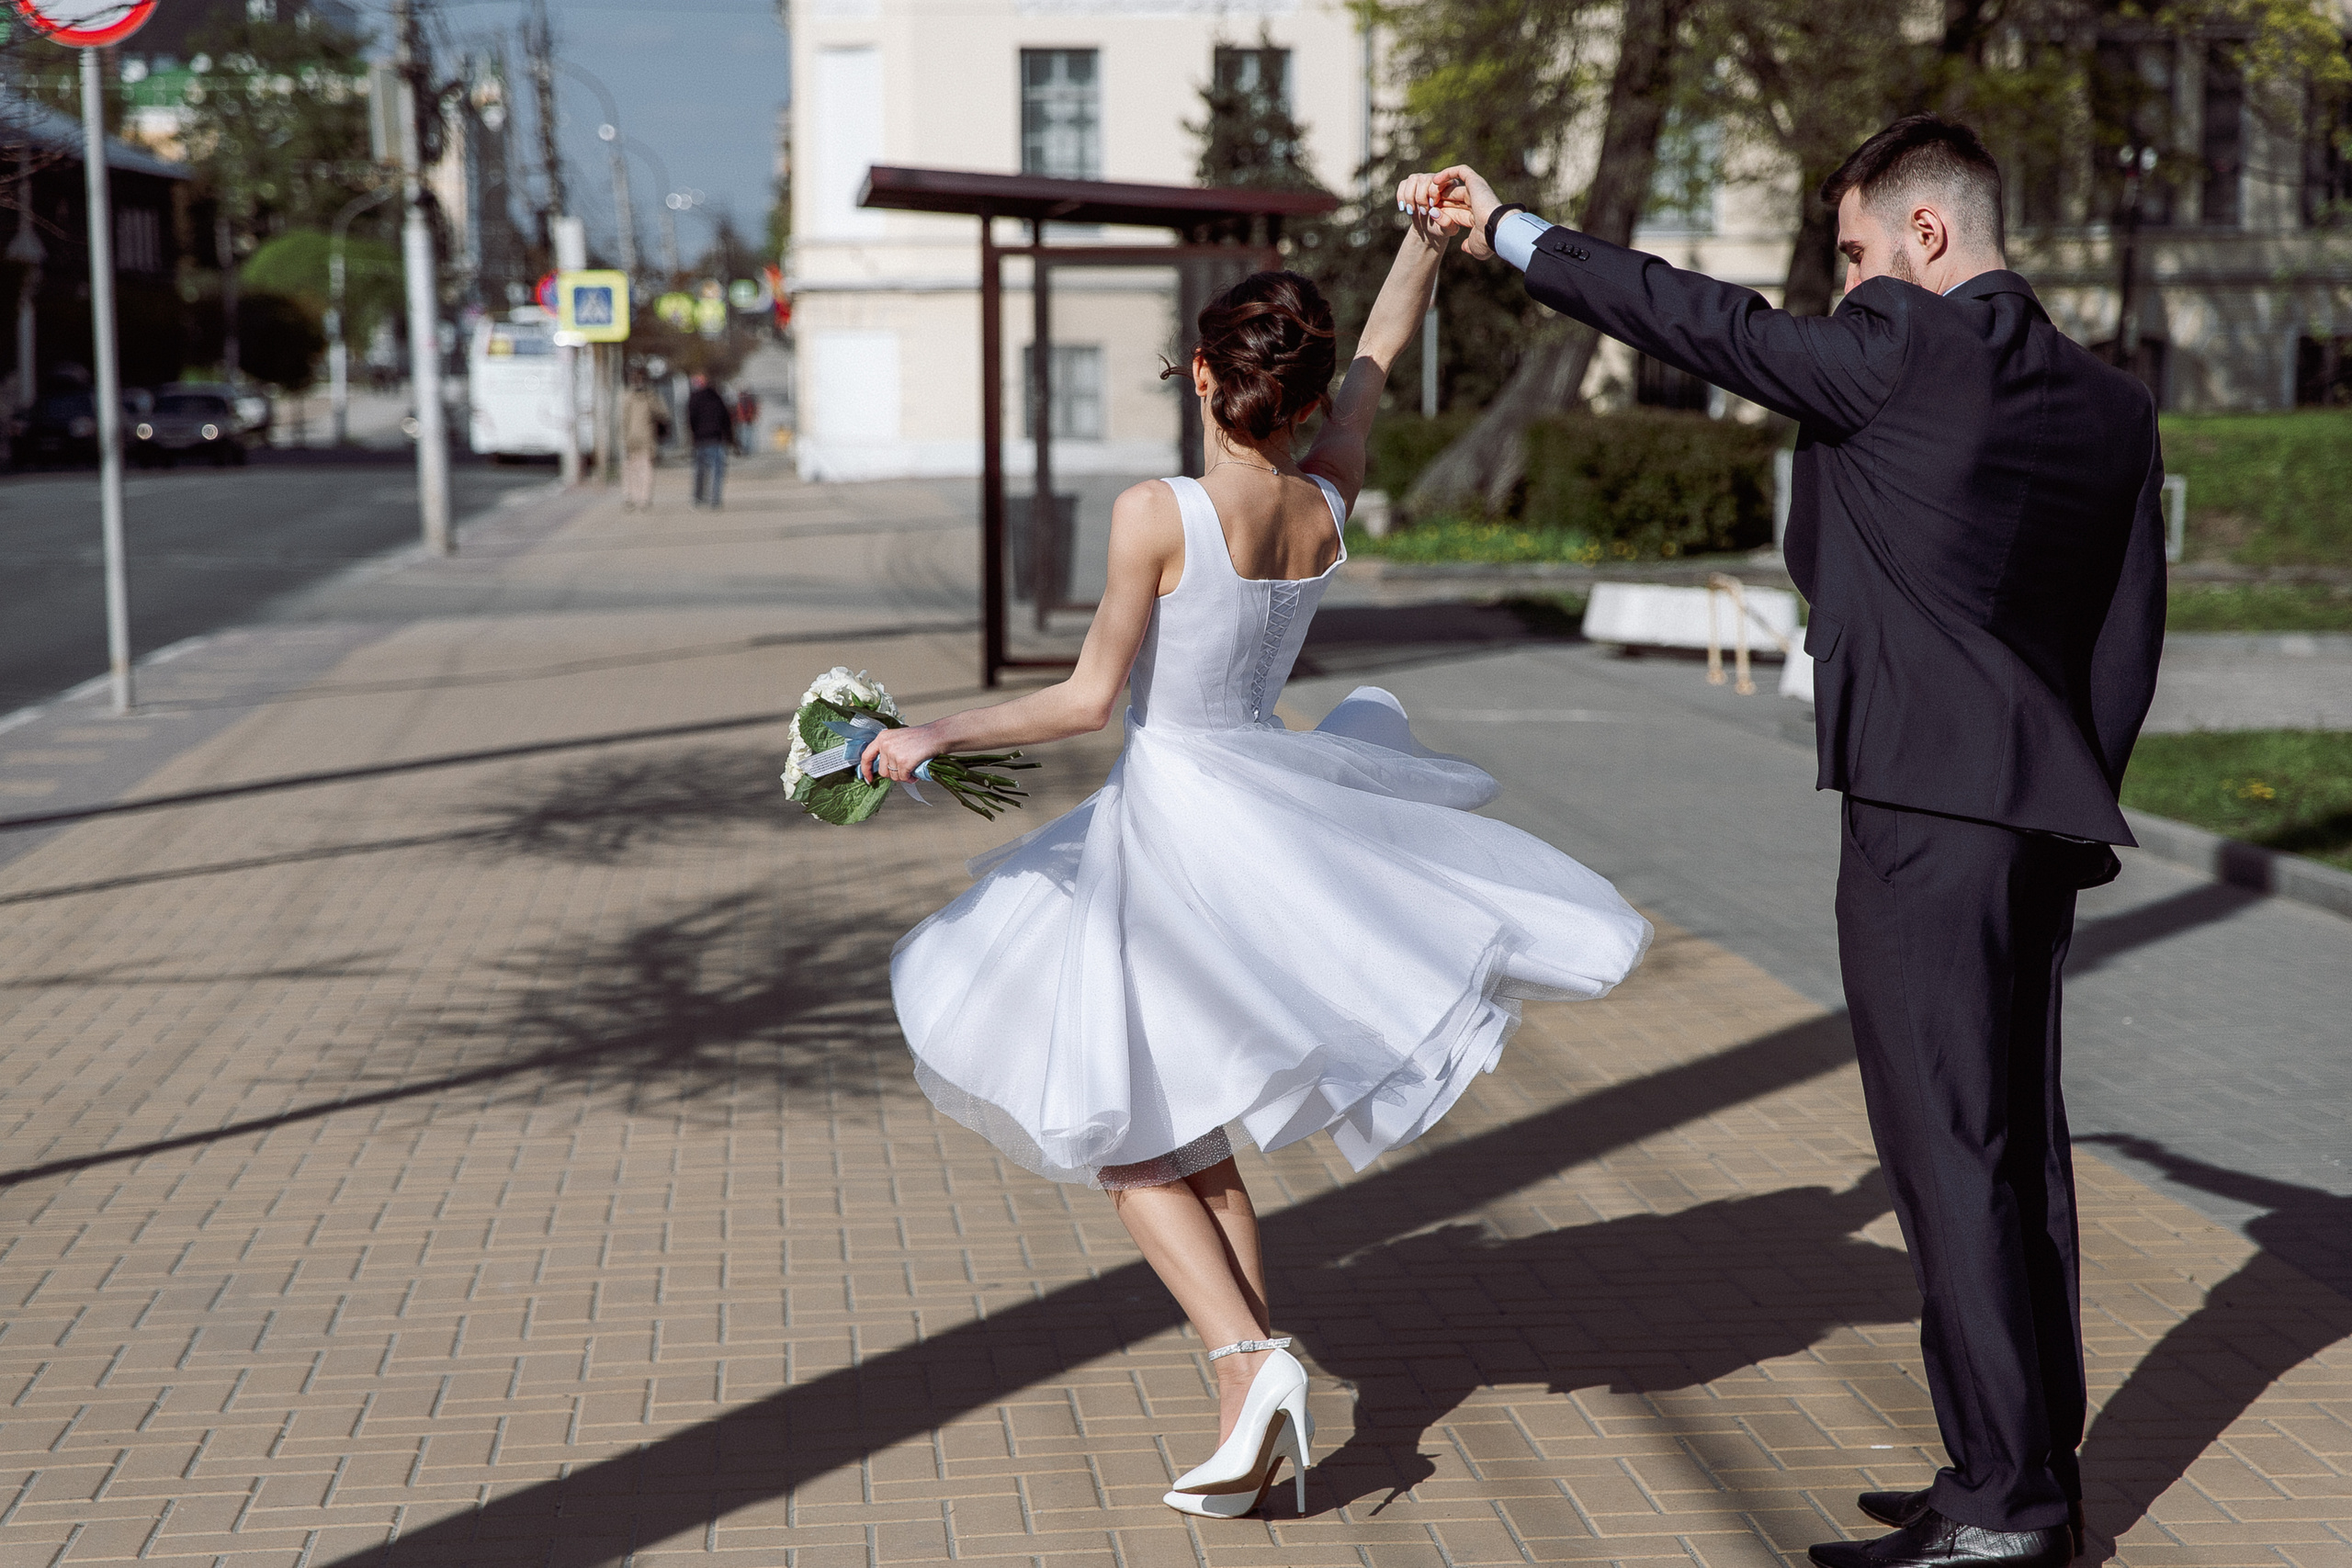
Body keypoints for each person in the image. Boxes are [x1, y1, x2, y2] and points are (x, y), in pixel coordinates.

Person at [1401, 114, 2165, 1568]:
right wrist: (2074, 801)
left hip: (1920, 819)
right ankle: (2019, 1473)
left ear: (1926, 235)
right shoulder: (2109, 404)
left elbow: (1698, 321)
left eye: (1860, 251)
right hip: (2035, 822)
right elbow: (2126, 636)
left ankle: (2004, 1510)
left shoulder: (1896, 348)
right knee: (2020, 1157)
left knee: (1946, 1156)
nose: (1848, 283)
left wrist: (1505, 231)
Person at [865, 218, 1651, 1520]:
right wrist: (1422, 241)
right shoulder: (1323, 496)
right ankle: (1250, 1406)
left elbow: (1085, 699)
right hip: (1262, 808)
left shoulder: (1159, 511)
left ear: (1210, 379)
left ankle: (1251, 1356)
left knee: (1124, 1134)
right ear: (1296, 393)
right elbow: (1385, 352)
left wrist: (934, 731)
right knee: (1190, 1126)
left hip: (1174, 821)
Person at [620, 370, 668, 511]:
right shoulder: (650, 397)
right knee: (645, 468)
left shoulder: (627, 396)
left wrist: (623, 438)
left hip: (631, 437)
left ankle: (632, 496)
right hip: (646, 437)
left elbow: (623, 420)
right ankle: (643, 498)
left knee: (632, 468)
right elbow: (663, 413)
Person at [685, 373, 730, 507]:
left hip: (701, 439)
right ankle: (715, 499)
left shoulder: (694, 399)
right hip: (715, 438)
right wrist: (729, 437)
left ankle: (698, 498)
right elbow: (725, 419)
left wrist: (693, 434)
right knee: (717, 471)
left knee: (700, 471)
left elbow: (691, 419)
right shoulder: (716, 398)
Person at [732, 386, 761, 454]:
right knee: (747, 435)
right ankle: (747, 449)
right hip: (746, 419)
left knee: (744, 435)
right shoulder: (749, 399)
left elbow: (737, 411)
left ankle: (746, 449)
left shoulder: (740, 400)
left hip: (743, 420)